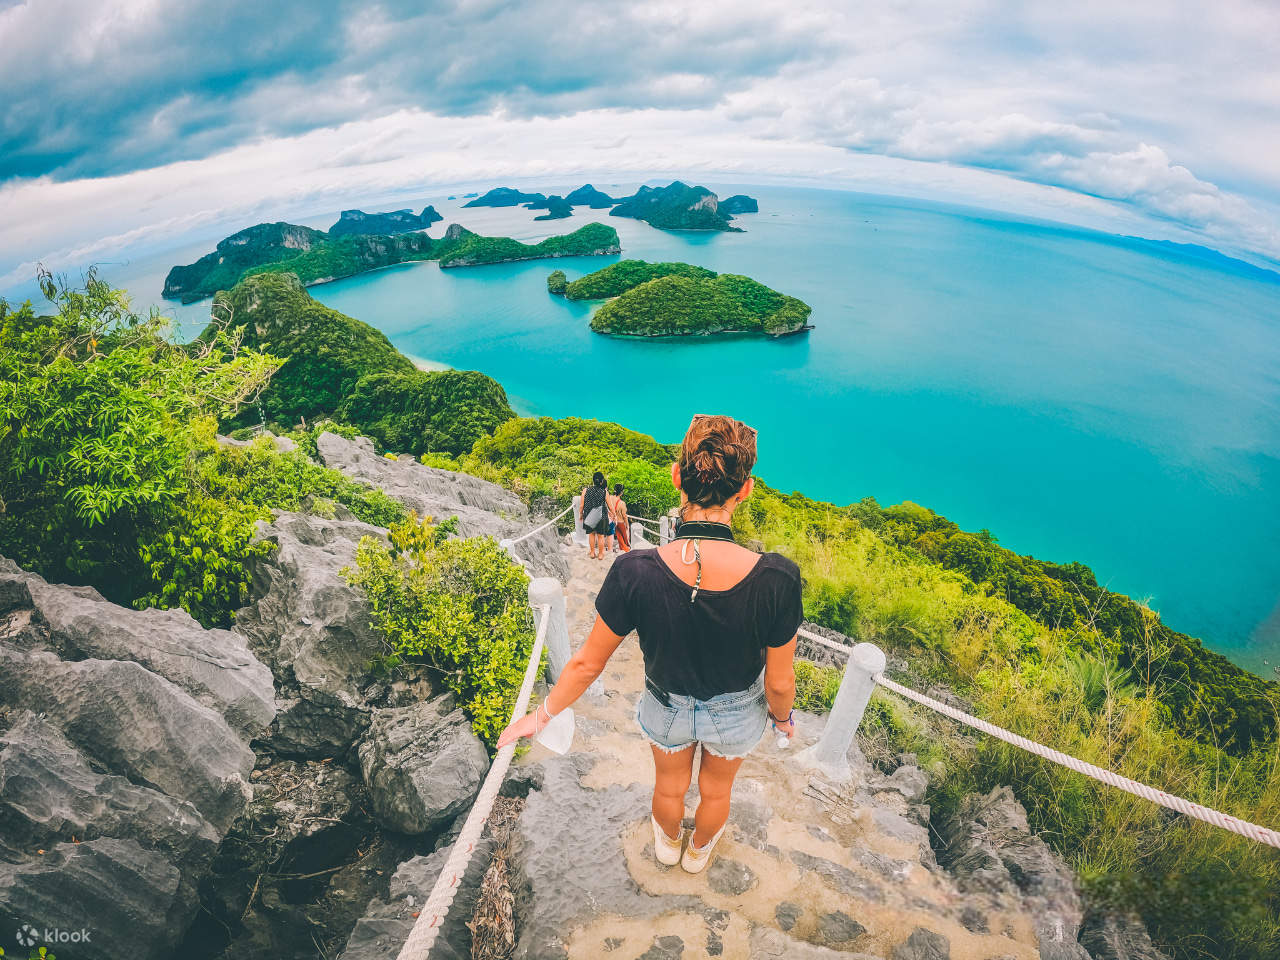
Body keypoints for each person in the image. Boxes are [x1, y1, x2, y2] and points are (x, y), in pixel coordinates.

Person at [499, 415, 801, 874]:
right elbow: (780, 682)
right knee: (718, 792)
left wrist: (540, 716)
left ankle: (667, 845)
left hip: (666, 705)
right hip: (738, 710)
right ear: (746, 490)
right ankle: (698, 855)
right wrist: (783, 722)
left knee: (668, 787)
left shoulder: (634, 571)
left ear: (678, 476)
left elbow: (586, 664)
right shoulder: (778, 577)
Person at [581, 471, 610, 560]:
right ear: (601, 481)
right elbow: (610, 506)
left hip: (589, 514)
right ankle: (600, 554)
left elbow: (582, 505)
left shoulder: (586, 490)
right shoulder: (604, 492)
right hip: (601, 515)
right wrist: (614, 514)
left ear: (593, 481)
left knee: (591, 534)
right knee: (600, 536)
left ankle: (592, 553)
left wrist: (580, 514)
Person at [608, 482, 630, 553]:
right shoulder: (622, 503)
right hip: (620, 522)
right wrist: (627, 525)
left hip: (612, 521)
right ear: (621, 492)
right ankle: (626, 549)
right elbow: (624, 516)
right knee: (625, 538)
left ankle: (622, 548)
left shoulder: (609, 497)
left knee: (619, 537)